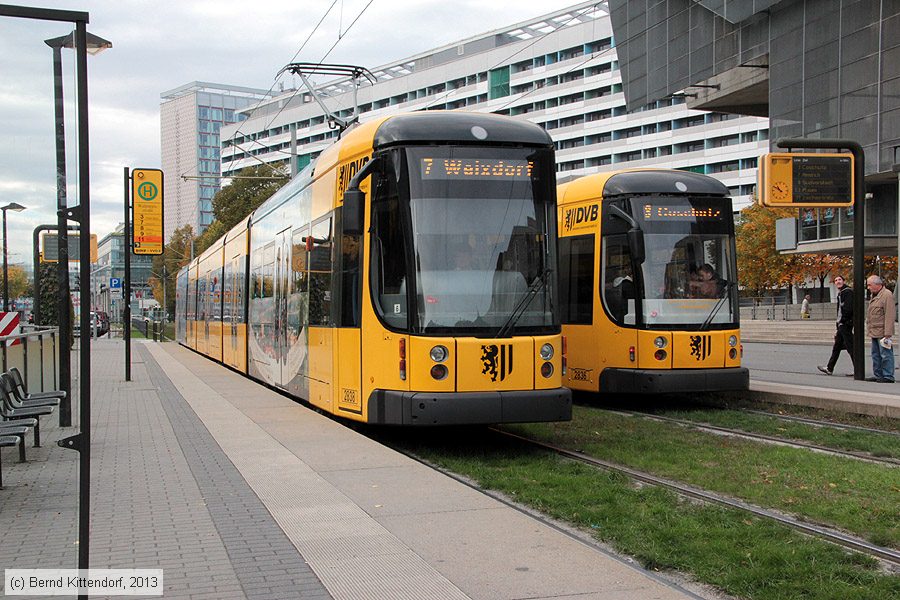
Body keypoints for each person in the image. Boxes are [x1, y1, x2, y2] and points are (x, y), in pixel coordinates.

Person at [818, 275, 854, 375]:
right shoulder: (841, 293)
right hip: (841, 324)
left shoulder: (847, 292)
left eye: (839, 280)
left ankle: (858, 368)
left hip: (845, 324)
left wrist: (842, 321)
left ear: (844, 281)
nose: (838, 282)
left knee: (851, 346)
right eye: (836, 280)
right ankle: (830, 368)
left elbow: (847, 309)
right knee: (837, 346)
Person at [865, 275, 895, 383]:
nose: (868, 287)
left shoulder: (886, 295)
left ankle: (888, 376)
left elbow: (890, 314)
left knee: (885, 354)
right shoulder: (874, 295)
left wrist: (888, 333)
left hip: (882, 331)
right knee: (876, 355)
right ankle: (878, 374)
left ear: (878, 285)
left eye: (869, 285)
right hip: (874, 330)